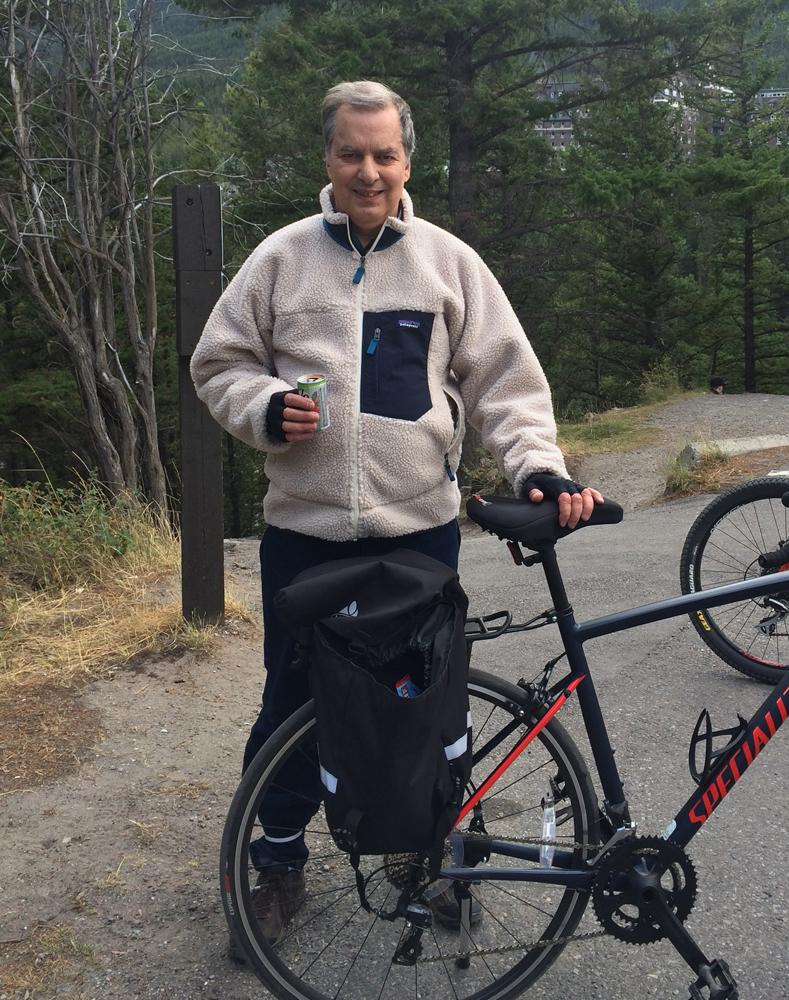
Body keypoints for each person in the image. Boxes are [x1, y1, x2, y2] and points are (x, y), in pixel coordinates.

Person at [190, 80, 602, 947]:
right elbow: (218, 363)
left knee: (425, 705)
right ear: (328, 159)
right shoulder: (280, 259)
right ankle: (276, 864)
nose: (368, 171)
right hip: (304, 535)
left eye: (384, 154)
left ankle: (435, 857)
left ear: (407, 161)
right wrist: (263, 407)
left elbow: (506, 384)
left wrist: (537, 466)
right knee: (294, 703)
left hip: (418, 533)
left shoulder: (448, 263)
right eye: (352, 153)